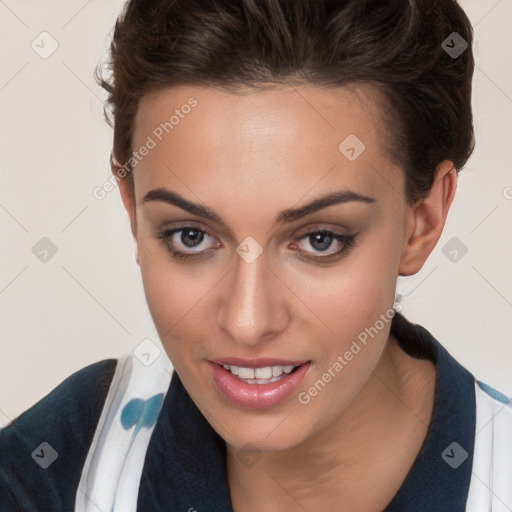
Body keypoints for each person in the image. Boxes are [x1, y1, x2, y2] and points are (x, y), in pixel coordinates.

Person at [1, 0, 511, 511]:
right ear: (133, 209)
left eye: (320, 240)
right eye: (191, 236)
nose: (247, 322)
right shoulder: (49, 475)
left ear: (421, 221)